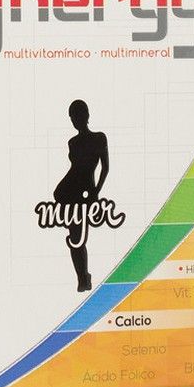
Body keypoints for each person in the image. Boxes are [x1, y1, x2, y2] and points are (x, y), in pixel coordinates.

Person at [54, 100, 109, 292]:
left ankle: (83, 277)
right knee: (74, 237)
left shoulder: (99, 138)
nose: (74, 120)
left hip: (85, 193)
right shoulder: (72, 142)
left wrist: (96, 191)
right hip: (69, 191)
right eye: (72, 117)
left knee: (77, 238)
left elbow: (105, 167)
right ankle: (82, 277)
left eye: (77, 116)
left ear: (86, 115)